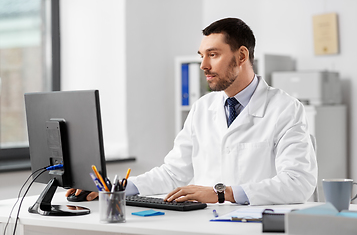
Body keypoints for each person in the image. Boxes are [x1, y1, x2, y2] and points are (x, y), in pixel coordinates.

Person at [66, 17, 317, 205]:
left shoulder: (285, 109)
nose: (203, 65)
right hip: (201, 223)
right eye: (201, 56)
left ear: (241, 56)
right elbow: (173, 172)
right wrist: (116, 187)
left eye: (213, 55)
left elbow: (299, 183)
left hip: (252, 224)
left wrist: (223, 193)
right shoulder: (203, 108)